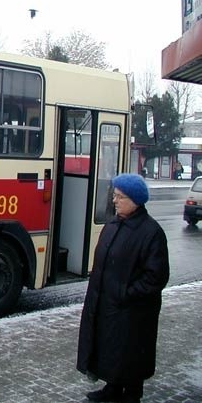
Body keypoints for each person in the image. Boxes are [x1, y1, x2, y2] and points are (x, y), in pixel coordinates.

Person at [77, 173, 170, 403]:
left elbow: (156, 277)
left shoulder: (151, 233)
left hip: (133, 309)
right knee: (111, 347)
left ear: (135, 201)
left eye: (119, 197)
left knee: (131, 350)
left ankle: (132, 393)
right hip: (109, 303)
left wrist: (126, 294)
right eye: (115, 196)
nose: (114, 201)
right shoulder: (114, 224)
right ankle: (112, 387)